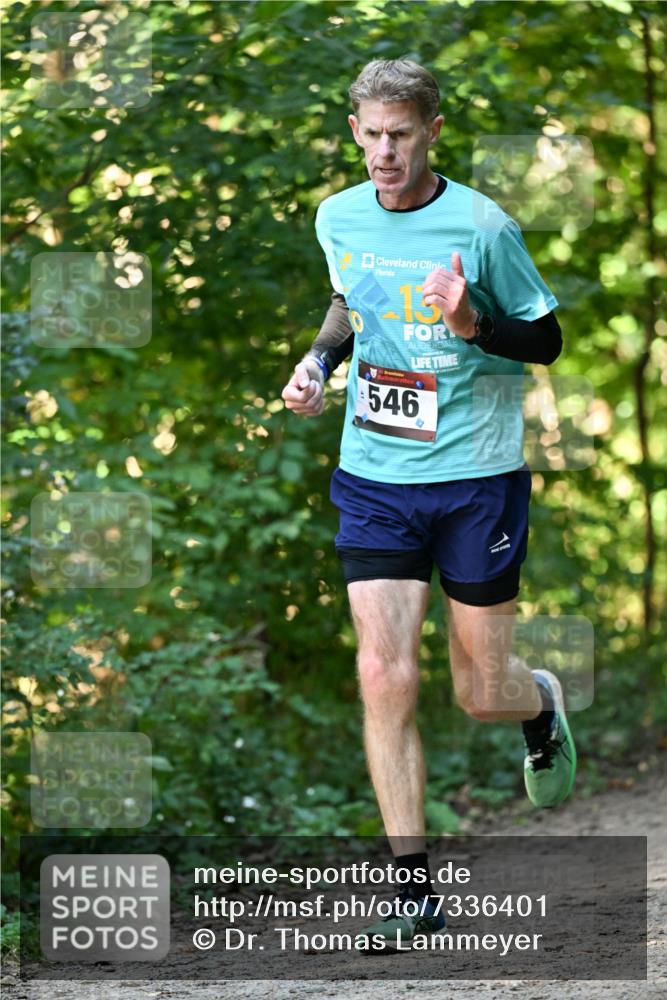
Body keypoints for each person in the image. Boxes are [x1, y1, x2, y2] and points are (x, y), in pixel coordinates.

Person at [281, 59, 576, 951]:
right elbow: (348, 303)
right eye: (369, 133)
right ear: (353, 130)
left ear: (430, 131)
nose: (382, 151)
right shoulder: (336, 216)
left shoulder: (481, 225)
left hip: (473, 478)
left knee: (479, 690)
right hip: (374, 474)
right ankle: (411, 890)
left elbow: (549, 339)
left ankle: (536, 708)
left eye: (399, 134)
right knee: (383, 673)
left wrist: (472, 325)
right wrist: (318, 365)